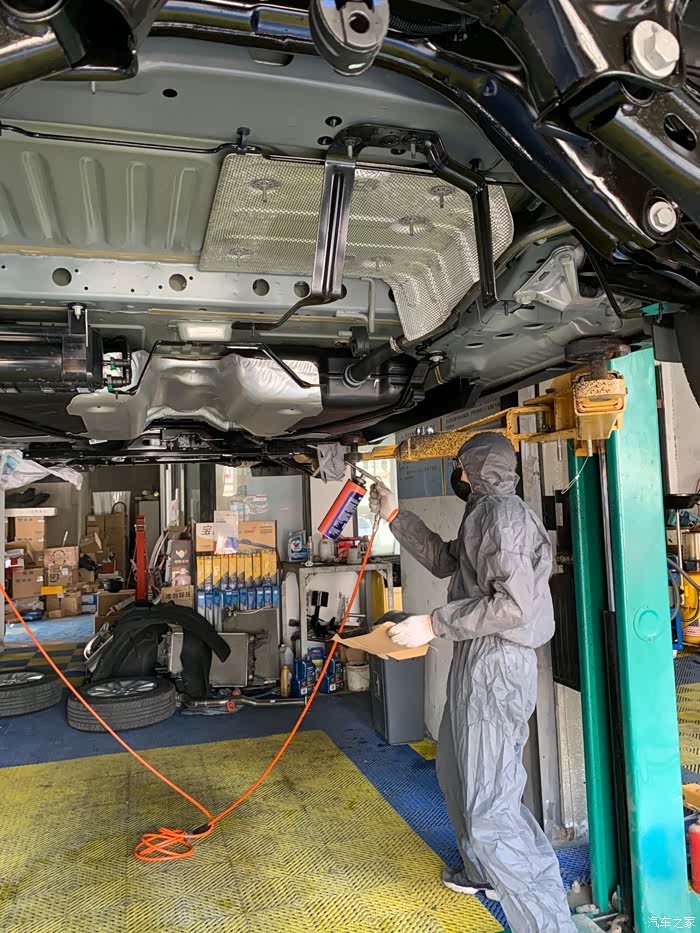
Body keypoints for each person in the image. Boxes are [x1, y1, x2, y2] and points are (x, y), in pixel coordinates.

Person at [370, 431, 576, 933]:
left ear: (478, 470)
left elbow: (513, 606)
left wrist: (433, 623)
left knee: (491, 809)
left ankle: (549, 924)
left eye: (461, 466)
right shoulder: (483, 512)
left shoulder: (503, 517)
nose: (456, 475)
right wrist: (395, 515)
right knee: (456, 770)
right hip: (477, 657)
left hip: (495, 664)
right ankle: (483, 871)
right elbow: (448, 561)